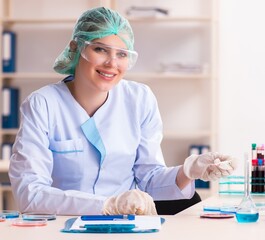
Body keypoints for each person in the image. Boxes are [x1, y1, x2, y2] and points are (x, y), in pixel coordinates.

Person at [8, 7, 236, 215]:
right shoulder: (43, 104)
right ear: (76, 48)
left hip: (127, 225)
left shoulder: (139, 99)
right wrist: (107, 205)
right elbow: (31, 194)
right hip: (61, 227)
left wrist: (188, 171)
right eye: (100, 49)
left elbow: (149, 180)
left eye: (122, 54)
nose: (112, 63)